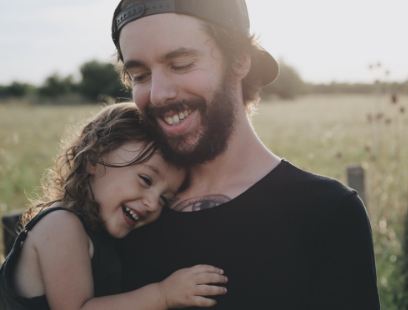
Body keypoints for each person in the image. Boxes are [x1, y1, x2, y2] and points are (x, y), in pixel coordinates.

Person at [112, 0, 381, 309]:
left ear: (240, 60)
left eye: (181, 64)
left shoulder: (326, 213)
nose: (158, 93)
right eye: (140, 75)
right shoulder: (124, 211)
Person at [0, 102, 228, 310]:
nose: (152, 203)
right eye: (146, 180)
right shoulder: (61, 226)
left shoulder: (99, 234)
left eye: (163, 199)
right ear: (94, 159)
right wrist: (163, 295)